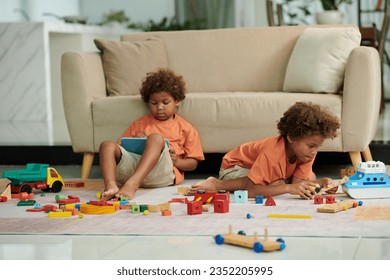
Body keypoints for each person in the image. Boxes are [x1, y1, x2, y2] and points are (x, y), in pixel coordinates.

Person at [189, 102, 341, 199]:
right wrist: (288, 187)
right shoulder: (272, 153)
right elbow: (251, 191)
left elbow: (298, 183)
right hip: (235, 167)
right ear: (292, 138)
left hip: (267, 168)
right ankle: (216, 184)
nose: (314, 151)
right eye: (311, 146)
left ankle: (278, 181)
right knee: (277, 184)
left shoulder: (307, 153)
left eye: (318, 147)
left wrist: (321, 183)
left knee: (299, 179)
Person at [100, 68, 204, 200]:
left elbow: (193, 164)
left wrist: (176, 161)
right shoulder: (140, 123)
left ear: (177, 101)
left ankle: (133, 184)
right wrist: (135, 141)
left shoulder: (186, 128)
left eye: (165, 102)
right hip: (134, 168)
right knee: (107, 145)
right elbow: (119, 147)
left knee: (155, 138)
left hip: (162, 172)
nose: (159, 107)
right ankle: (111, 185)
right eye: (154, 103)